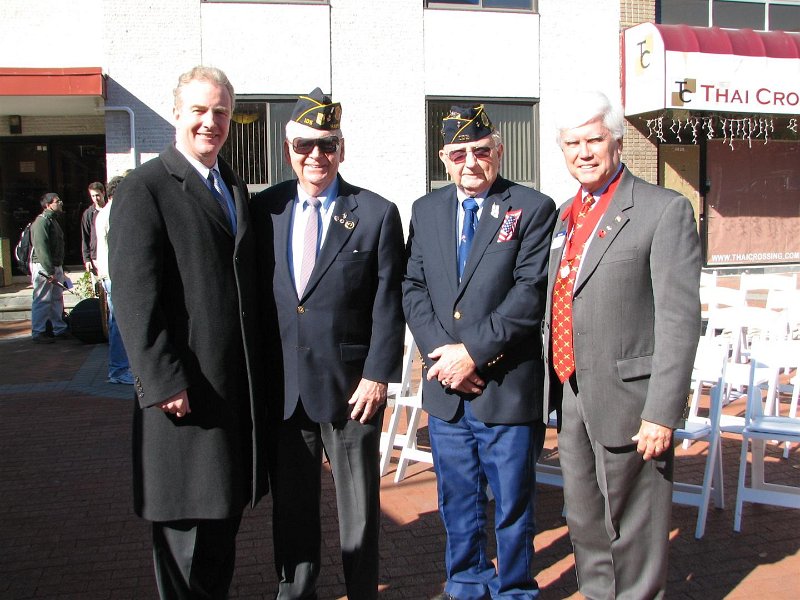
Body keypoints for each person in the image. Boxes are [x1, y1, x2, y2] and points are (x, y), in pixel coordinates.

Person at [109, 66, 269, 599]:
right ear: (176, 113)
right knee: (184, 552)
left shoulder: (234, 187)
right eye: (199, 110)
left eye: (221, 112)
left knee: (220, 540)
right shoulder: (145, 188)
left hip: (229, 400)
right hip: (184, 402)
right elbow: (135, 298)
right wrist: (162, 383)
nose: (210, 122)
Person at [543, 91, 701, 599]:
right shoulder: (565, 214)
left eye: (594, 139)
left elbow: (679, 320)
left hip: (633, 401)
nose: (584, 152)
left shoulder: (663, 210)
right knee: (586, 523)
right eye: (573, 143)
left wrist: (662, 412)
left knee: (634, 530)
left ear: (618, 141)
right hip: (571, 393)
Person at [251, 88, 405, 600]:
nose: (316, 155)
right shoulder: (264, 210)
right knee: (292, 508)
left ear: (342, 148)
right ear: (287, 146)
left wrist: (379, 374)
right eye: (305, 145)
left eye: (328, 144)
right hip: (286, 388)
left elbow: (388, 302)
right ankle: (295, 592)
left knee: (359, 508)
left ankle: (362, 591)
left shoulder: (376, 212)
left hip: (352, 389)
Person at [403, 105, 557, 600]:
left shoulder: (531, 207)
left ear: (499, 151)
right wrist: (441, 357)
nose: (471, 161)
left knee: (512, 504)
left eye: (481, 150)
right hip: (448, 392)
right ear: (444, 159)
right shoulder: (426, 210)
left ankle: (514, 589)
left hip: (504, 385)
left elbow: (528, 295)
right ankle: (467, 583)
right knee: (457, 501)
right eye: (459, 153)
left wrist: (470, 355)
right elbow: (413, 287)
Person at [93, 175, 133, 385]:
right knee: (119, 322)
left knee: (116, 321)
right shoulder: (113, 213)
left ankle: (120, 366)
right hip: (114, 274)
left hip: (109, 274)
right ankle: (118, 369)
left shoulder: (103, 214)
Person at [29, 192, 70, 344]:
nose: (60, 203)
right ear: (48, 205)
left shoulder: (53, 221)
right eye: (57, 201)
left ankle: (58, 328)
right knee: (42, 299)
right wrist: (50, 270)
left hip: (54, 265)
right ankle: (38, 331)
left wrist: (59, 267)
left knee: (56, 298)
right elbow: (41, 249)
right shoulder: (41, 222)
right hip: (44, 266)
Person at [81, 181, 106, 274]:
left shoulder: (110, 210)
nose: (96, 199)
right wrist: (87, 259)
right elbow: (85, 237)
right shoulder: (88, 214)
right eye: (93, 196)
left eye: (97, 195)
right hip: (95, 256)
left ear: (103, 193)